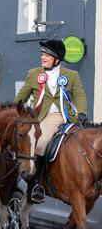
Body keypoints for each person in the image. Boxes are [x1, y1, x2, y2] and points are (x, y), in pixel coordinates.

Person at [14, 39, 88, 203]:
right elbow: (21, 98)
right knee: (40, 143)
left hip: (67, 117)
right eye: (42, 54)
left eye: (46, 55)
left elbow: (80, 95)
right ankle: (37, 184)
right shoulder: (34, 74)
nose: (43, 57)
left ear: (57, 58)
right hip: (44, 117)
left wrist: (82, 112)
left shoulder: (71, 75)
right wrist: (16, 111)